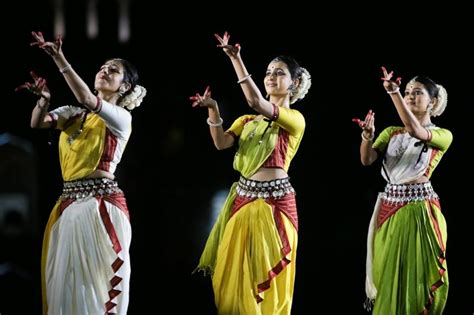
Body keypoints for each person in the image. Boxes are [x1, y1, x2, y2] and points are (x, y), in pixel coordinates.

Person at [15, 31, 146, 315]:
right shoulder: (73, 113)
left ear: (124, 87)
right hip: (69, 207)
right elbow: (38, 123)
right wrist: (43, 100)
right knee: (66, 286)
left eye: (114, 70)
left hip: (102, 208)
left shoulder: (122, 118)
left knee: (97, 289)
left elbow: (88, 98)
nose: (104, 71)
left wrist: (59, 57)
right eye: (103, 67)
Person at [190, 32, 311, 314]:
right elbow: (221, 143)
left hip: (274, 209)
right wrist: (213, 111)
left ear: (293, 83)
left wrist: (236, 59)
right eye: (268, 72)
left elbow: (257, 102)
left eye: (278, 73)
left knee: (263, 279)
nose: (271, 77)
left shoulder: (294, 120)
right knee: (230, 277)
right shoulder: (247, 121)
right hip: (242, 203)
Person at [353, 67, 451, 314]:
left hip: (419, 213)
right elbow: (367, 159)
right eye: (407, 92)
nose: (409, 96)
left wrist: (394, 93)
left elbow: (416, 131)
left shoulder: (442, 135)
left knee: (415, 276)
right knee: (386, 271)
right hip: (388, 211)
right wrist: (367, 136)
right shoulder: (390, 133)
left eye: (417, 93)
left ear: (433, 101)